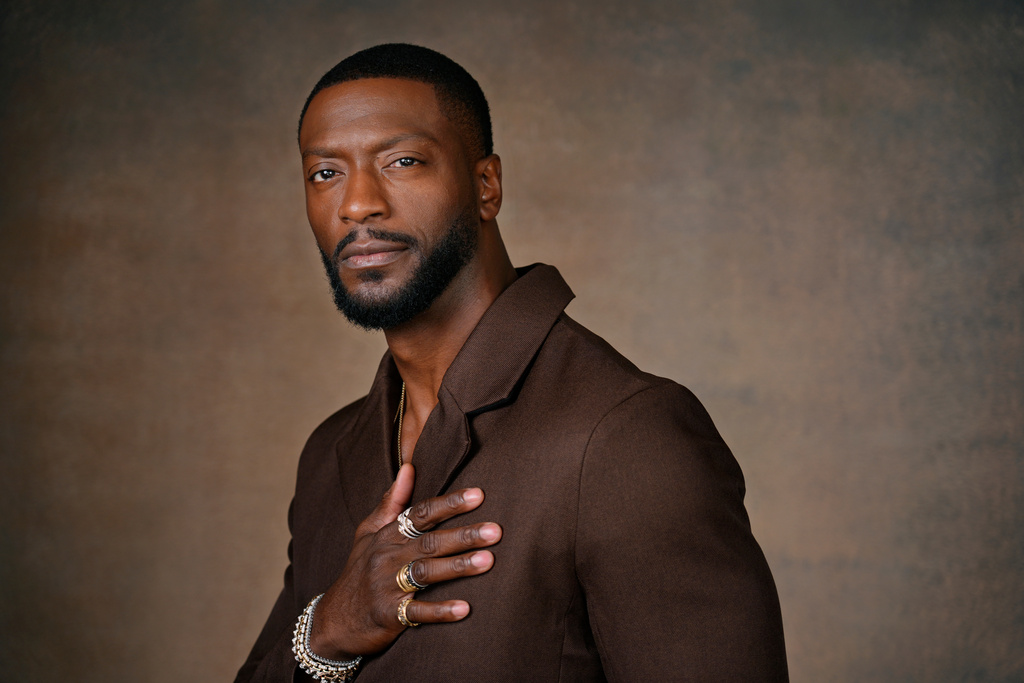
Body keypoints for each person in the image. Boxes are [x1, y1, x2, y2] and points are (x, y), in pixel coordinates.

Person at [235, 43, 788, 682]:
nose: (357, 204)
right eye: (324, 173)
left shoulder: (627, 436)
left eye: (402, 161)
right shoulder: (330, 451)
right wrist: (328, 629)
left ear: (486, 185)